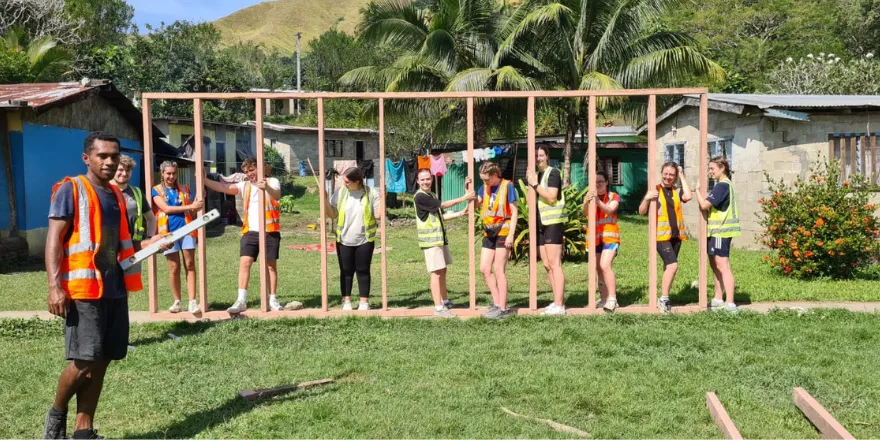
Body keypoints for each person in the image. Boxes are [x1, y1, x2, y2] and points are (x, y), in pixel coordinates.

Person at [43, 132, 171, 440]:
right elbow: (53, 239)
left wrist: (150, 243)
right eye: (103, 155)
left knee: (102, 359)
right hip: (84, 291)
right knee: (84, 359)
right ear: (87, 158)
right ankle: (55, 417)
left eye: (114, 155)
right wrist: (53, 286)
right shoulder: (72, 189)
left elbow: (117, 245)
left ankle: (83, 430)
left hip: (114, 288)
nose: (110, 161)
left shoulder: (116, 196)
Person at [203, 158, 283, 313]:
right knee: (245, 263)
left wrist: (266, 187)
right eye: (247, 172)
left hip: (270, 231)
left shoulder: (272, 181)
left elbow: (277, 195)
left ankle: (272, 299)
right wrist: (204, 180)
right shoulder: (245, 185)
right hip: (251, 231)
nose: (250, 174)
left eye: (252, 170)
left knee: (270, 267)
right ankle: (241, 300)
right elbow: (223, 187)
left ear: (259, 168)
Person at [414, 169, 475, 318]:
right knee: (435, 273)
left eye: (428, 179)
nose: (425, 182)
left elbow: (441, 216)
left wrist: (461, 213)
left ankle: (445, 301)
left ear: (432, 179)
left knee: (442, 271)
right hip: (431, 242)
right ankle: (439, 308)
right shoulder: (420, 197)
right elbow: (443, 205)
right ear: (417, 181)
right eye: (422, 180)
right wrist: (464, 197)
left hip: (440, 240)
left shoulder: (431, 195)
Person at [323, 167, 382, 311]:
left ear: (357, 182)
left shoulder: (370, 193)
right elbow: (333, 214)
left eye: (347, 181)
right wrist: (324, 200)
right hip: (344, 239)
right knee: (346, 270)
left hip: (365, 239)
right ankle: (346, 301)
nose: (344, 183)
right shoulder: (342, 192)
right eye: (343, 180)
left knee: (363, 270)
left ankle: (364, 302)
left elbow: (379, 215)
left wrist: (383, 198)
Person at [638, 162, 692, 313]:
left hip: (676, 236)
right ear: (661, 173)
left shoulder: (676, 190)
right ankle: (664, 298)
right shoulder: (655, 190)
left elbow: (688, 196)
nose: (668, 177)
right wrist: (647, 198)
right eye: (666, 174)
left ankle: (663, 295)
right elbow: (642, 211)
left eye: (672, 175)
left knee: (668, 267)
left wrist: (681, 175)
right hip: (661, 236)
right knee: (673, 266)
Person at [152, 161, 203, 314]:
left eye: (174, 173)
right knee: (174, 268)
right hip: (168, 233)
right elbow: (166, 209)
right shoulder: (156, 190)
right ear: (162, 173)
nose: (171, 176)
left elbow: (192, 212)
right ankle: (177, 301)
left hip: (187, 230)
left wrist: (196, 205)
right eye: (168, 173)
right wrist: (190, 206)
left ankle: (192, 301)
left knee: (190, 264)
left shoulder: (184, 189)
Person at [694, 156, 740, 312]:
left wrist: (697, 192)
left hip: (721, 231)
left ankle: (730, 303)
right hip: (716, 232)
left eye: (712, 168)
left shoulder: (722, 186)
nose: (710, 172)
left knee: (722, 265)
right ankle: (719, 298)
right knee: (715, 265)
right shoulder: (724, 185)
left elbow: (705, 205)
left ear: (722, 168)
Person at [525, 145, 566, 315]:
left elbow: (551, 196)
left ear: (547, 156)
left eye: (541, 155)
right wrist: (531, 184)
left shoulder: (553, 173)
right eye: (536, 156)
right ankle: (556, 301)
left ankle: (559, 305)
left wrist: (535, 185)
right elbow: (529, 202)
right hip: (541, 223)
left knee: (555, 264)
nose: (538, 158)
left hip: (553, 222)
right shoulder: (538, 176)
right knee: (547, 265)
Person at [476, 162, 518, 319]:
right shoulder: (484, 187)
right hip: (489, 231)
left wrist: (511, 235)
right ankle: (496, 302)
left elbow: (514, 212)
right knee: (485, 269)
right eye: (483, 180)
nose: (485, 183)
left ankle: (502, 307)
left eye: (487, 180)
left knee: (499, 269)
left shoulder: (507, 186)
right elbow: (474, 204)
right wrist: (469, 191)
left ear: (495, 175)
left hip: (504, 230)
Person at [582, 170, 621, 313]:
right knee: (599, 268)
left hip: (610, 238)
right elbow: (585, 212)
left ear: (606, 183)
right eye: (595, 182)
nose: (597, 185)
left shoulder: (613, 196)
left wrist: (597, 201)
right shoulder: (589, 196)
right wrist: (587, 201)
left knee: (605, 265)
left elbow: (610, 210)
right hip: (595, 238)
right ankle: (604, 299)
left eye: (600, 182)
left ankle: (612, 298)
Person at [111, 155, 157, 251]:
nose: (124, 173)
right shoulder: (104, 191)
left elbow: (151, 218)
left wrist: (149, 238)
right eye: (120, 170)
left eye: (128, 170)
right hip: (110, 248)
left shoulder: (137, 192)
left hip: (134, 248)